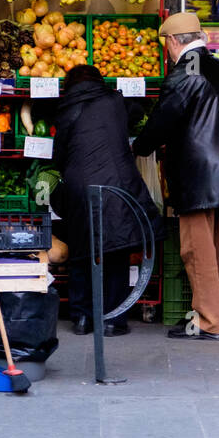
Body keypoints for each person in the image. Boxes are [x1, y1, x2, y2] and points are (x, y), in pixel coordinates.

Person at [133, 13, 219, 340]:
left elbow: (164, 120)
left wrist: (140, 146)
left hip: (200, 176)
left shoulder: (187, 70)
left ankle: (209, 321)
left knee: (198, 249)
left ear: (172, 42)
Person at [51, 64, 164, 336]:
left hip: (79, 187)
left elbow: (58, 156)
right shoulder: (115, 100)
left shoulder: (65, 110)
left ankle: (81, 317)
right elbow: (137, 112)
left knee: (81, 249)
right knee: (116, 249)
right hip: (116, 184)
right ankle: (113, 320)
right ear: (99, 82)